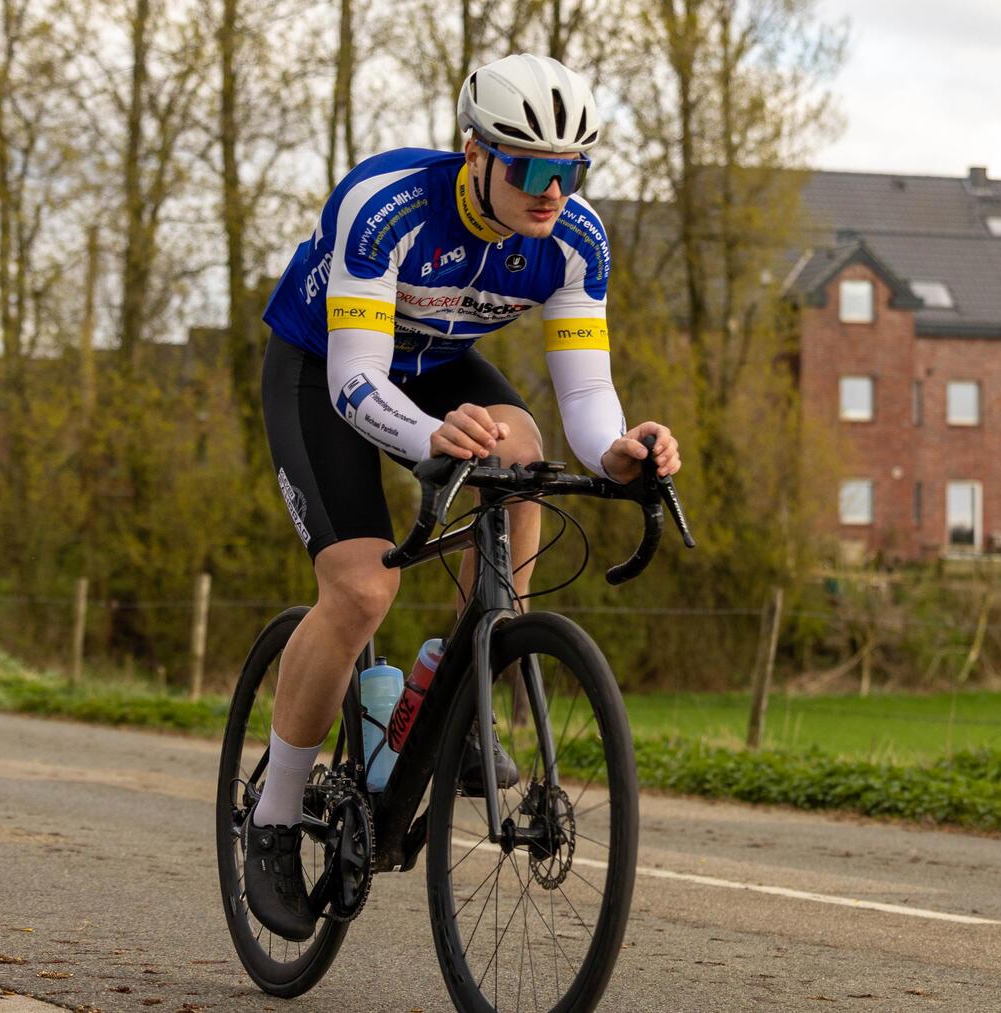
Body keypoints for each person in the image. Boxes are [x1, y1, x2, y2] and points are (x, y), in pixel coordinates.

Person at [247, 52, 681, 942]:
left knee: (521, 448)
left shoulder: (576, 240)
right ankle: (276, 816)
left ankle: (475, 657)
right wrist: (427, 440)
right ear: (475, 152)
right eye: (530, 167)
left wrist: (626, 452)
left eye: (571, 169)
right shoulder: (389, 203)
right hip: (324, 369)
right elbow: (356, 382)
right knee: (364, 588)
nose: (552, 189)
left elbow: (587, 400)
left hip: (435, 364)